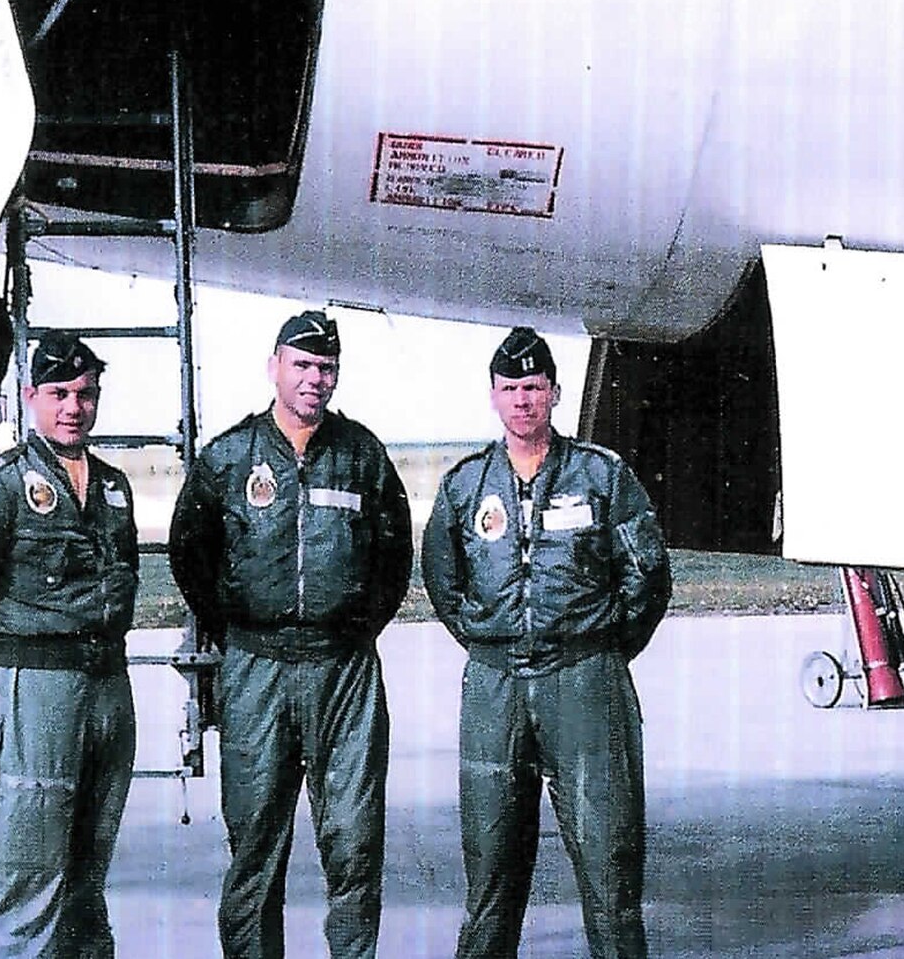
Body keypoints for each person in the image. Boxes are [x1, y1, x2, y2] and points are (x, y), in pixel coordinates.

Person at [169, 309, 414, 959]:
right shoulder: (228, 458)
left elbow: (395, 555)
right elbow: (190, 552)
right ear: (275, 366)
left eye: (325, 367)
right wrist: (241, 622)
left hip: (344, 672)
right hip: (258, 670)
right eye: (302, 365)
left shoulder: (361, 455)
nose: (314, 379)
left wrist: (356, 626)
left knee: (355, 841)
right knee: (255, 844)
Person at [421, 327, 672, 959]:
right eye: (510, 389)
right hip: (495, 687)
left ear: (555, 394)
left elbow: (648, 575)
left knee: (609, 865)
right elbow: (444, 581)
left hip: (584, 682)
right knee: (491, 864)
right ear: (493, 398)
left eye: (533, 388)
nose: (522, 401)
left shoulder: (601, 476)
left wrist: (602, 649)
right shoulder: (465, 486)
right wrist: (495, 641)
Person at [0, 331, 140, 959]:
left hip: (106, 689)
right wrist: (3, 679)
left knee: (84, 877)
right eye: (58, 394)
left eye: (85, 394)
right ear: (31, 397)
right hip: (35, 689)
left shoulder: (112, 487)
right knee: (23, 876)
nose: (73, 407)